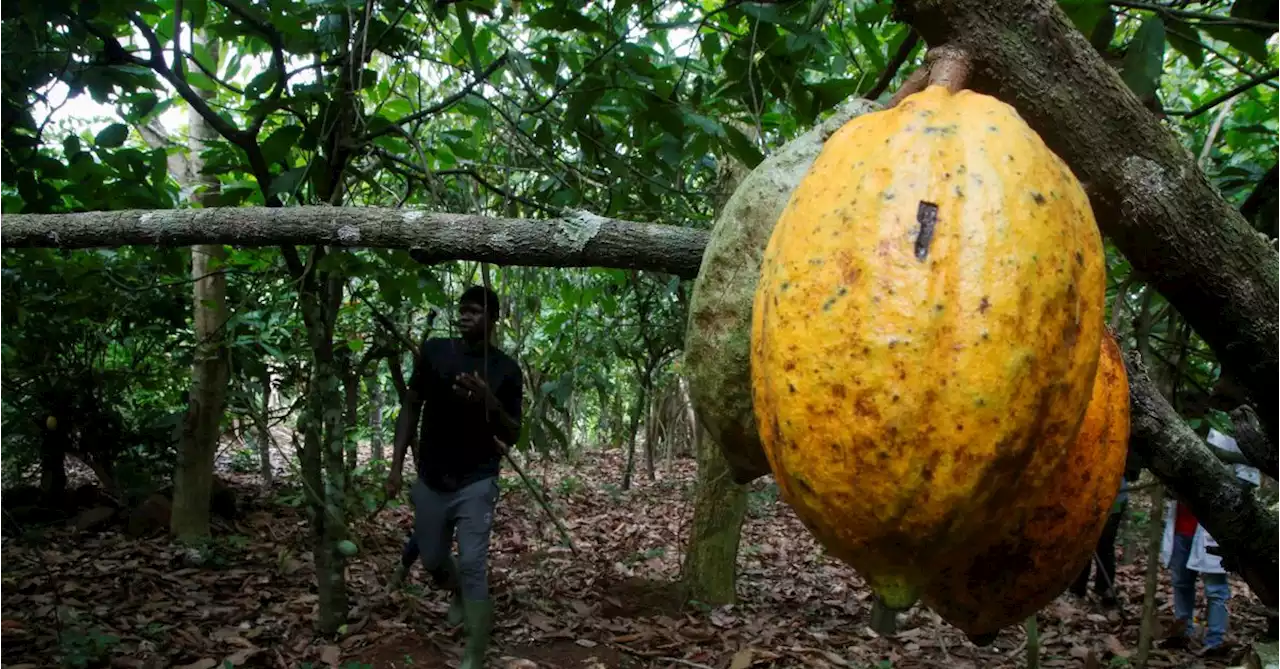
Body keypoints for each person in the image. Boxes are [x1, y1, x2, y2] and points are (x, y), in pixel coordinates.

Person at [386, 285, 524, 669]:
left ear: (493, 319)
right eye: (462, 310)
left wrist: (490, 403)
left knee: (473, 563)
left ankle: (475, 652)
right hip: (432, 475)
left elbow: (513, 433)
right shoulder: (435, 353)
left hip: (477, 479)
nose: (466, 316)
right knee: (431, 559)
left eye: (476, 311)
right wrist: (396, 466)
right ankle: (459, 593)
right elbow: (411, 408)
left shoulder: (505, 370)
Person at [1158, 425, 1260, 657]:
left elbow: (1248, 481)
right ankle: (1183, 631)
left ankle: (1215, 640)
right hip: (1181, 527)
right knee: (1181, 583)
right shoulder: (1176, 431)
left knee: (1215, 589)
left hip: (1210, 529)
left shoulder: (1230, 438)